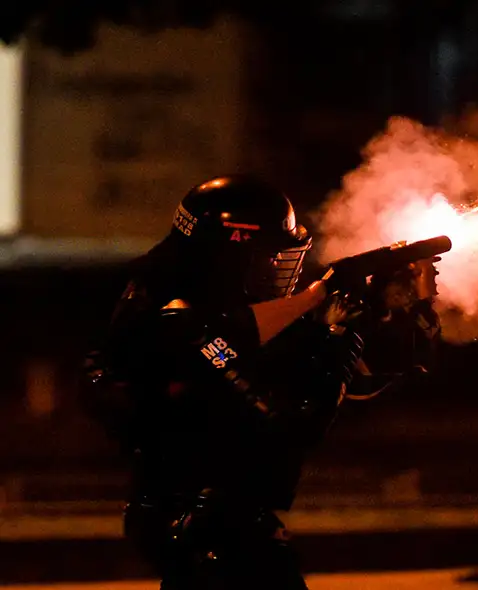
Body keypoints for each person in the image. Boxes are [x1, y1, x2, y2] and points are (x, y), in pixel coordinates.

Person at [80, 175, 440, 589]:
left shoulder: (211, 316)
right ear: (228, 256)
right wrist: (333, 325)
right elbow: (296, 422)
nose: (276, 267)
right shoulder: (176, 321)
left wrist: (378, 310)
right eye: (267, 257)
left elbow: (342, 383)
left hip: (221, 520)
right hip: (198, 527)